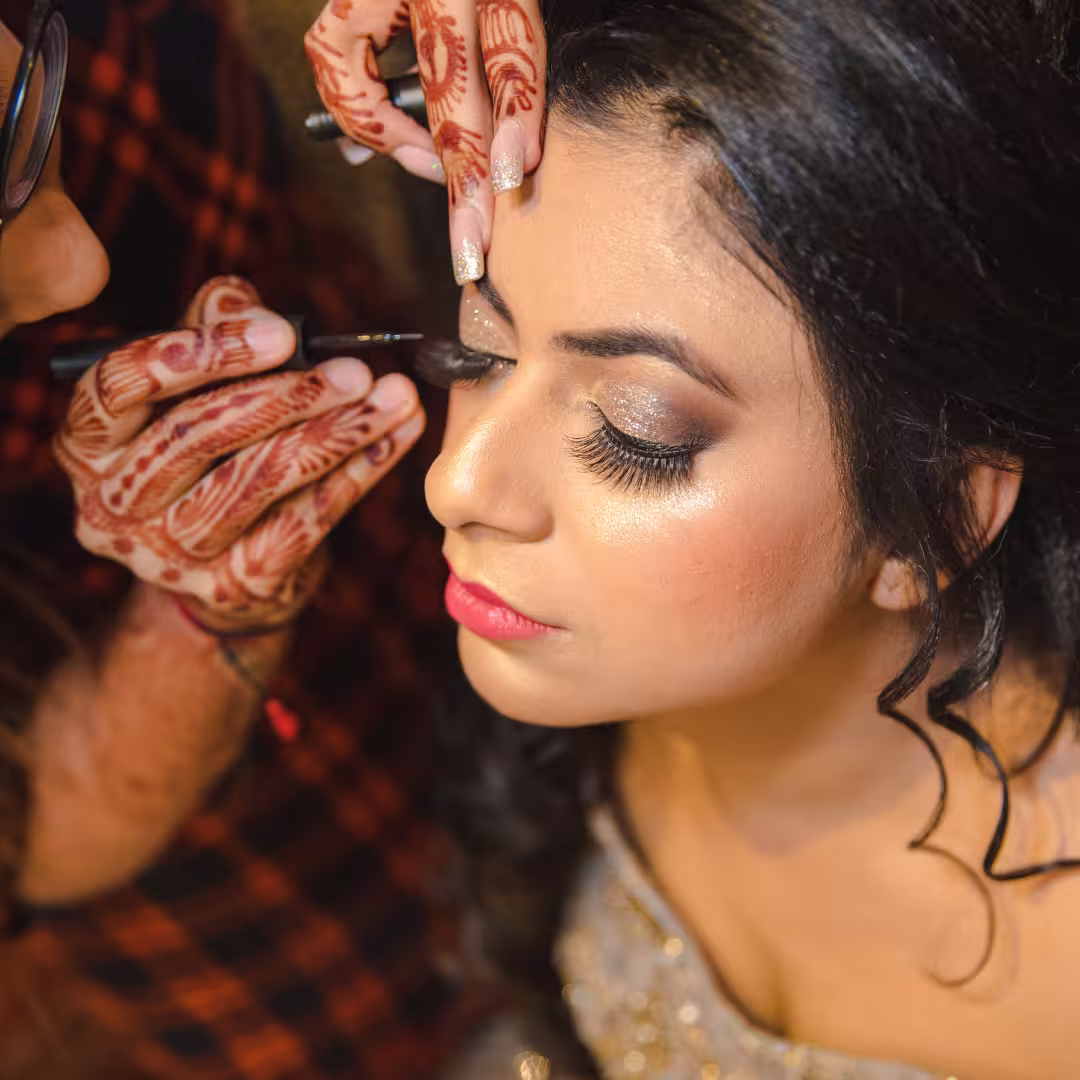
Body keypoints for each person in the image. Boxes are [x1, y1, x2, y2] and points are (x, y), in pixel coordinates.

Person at [318, 0, 1080, 1077]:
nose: (456, 483)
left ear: (942, 514)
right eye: (479, 354)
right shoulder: (584, 703)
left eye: (637, 433)